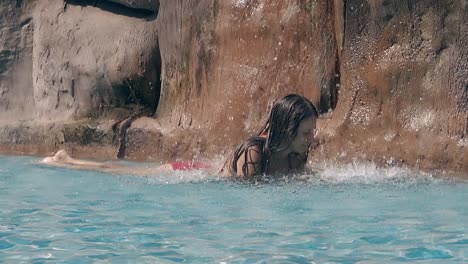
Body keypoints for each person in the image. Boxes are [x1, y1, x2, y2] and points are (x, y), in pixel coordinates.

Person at [41, 93, 318, 179]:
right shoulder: (254, 152)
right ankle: (66, 160)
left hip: (209, 171)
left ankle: (68, 160)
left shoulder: (297, 155)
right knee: (118, 171)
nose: (312, 137)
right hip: (185, 172)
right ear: (287, 129)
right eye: (307, 132)